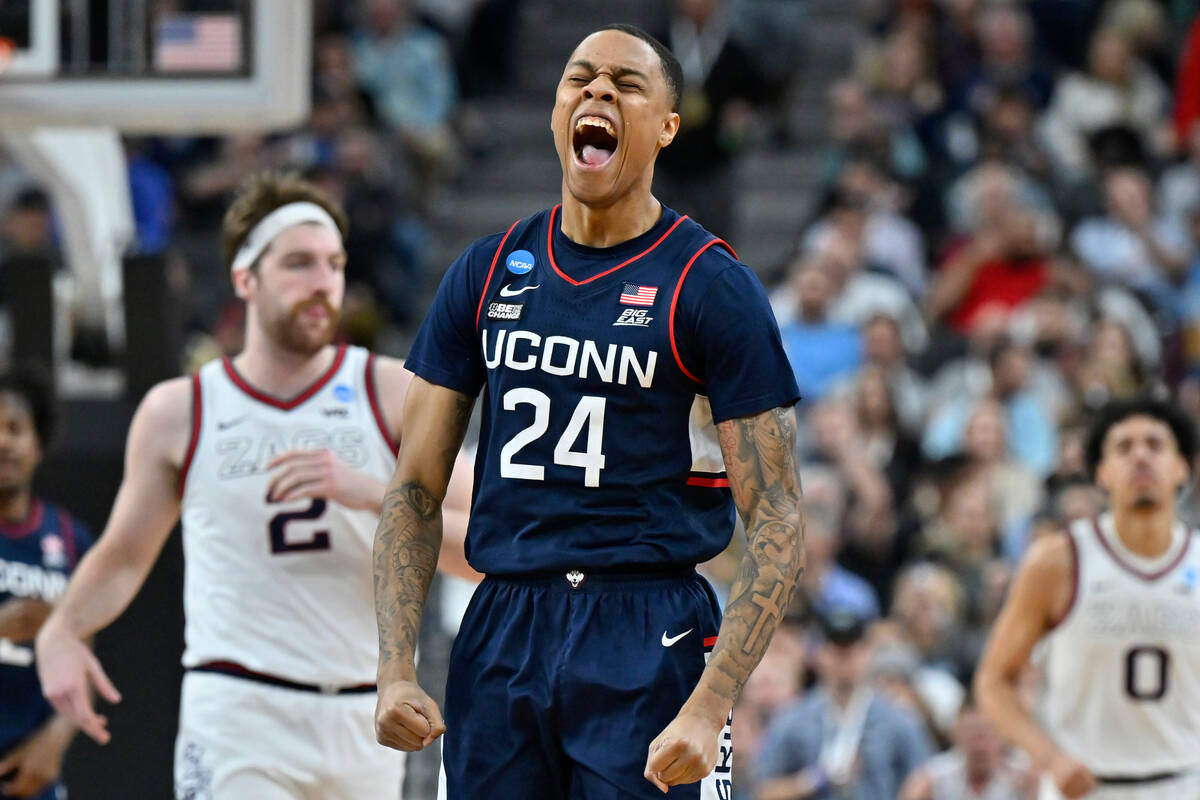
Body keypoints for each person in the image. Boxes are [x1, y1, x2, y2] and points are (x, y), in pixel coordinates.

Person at [372, 24, 805, 799]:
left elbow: (776, 517)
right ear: (555, 113)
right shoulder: (485, 270)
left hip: (651, 624)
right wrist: (395, 667)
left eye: (626, 84)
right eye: (580, 78)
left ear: (668, 127)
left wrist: (710, 706)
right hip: (503, 616)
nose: (598, 91)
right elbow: (412, 490)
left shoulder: (710, 284)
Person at [33, 172, 474, 799]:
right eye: (298, 264)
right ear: (245, 279)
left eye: (334, 264)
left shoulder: (393, 394)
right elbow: (124, 557)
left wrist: (379, 495)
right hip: (239, 708)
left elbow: (495, 547)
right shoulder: (179, 409)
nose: (323, 282)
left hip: (366, 715)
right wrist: (63, 629)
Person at [975, 397, 1200, 799]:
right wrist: (1048, 758)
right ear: (1101, 472)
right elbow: (993, 683)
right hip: (1085, 787)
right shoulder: (1058, 562)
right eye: (1124, 447)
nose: (1141, 456)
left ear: (1182, 466)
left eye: (1155, 444)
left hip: (1183, 782)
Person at [0, 369, 94, 800]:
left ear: (39, 443)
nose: (3, 442)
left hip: (32, 772)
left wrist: (56, 738)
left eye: (15, 428)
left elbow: (85, 657)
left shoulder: (72, 539)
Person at [754, 611, 933, 800]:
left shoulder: (898, 721)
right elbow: (763, 790)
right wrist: (810, 781)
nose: (844, 660)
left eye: (852, 650)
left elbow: (923, 780)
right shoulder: (792, 719)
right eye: (836, 651)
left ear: (867, 653)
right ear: (820, 654)